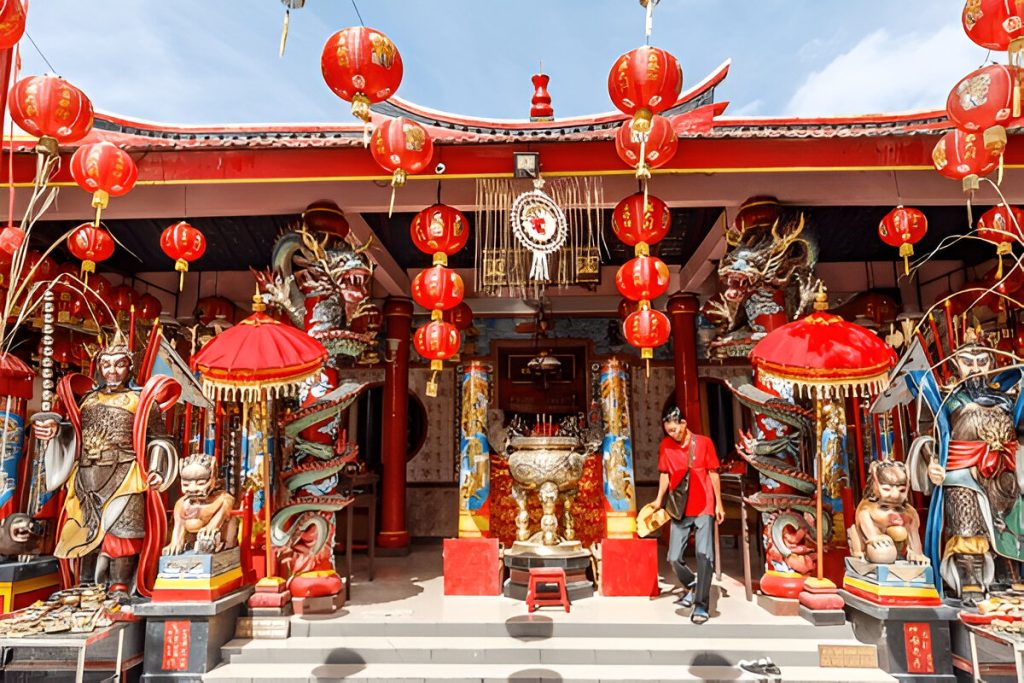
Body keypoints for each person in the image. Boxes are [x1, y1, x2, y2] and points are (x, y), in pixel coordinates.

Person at [32, 334, 179, 598]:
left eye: (119, 364)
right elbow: (74, 432)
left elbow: (159, 439)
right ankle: (86, 584)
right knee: (84, 529)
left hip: (125, 472)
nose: (112, 371)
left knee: (123, 530)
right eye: (107, 365)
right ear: (99, 367)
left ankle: (119, 585)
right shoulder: (88, 400)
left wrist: (157, 469)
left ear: (130, 367)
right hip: (87, 472)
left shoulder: (142, 401)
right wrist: (56, 429)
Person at [652, 405, 724, 624]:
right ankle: (693, 584)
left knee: (704, 554)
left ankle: (701, 604)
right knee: (673, 557)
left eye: (674, 429)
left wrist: (719, 504)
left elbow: (713, 473)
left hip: (703, 505)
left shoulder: (704, 443)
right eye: (668, 431)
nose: (672, 434)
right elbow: (665, 473)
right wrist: (659, 499)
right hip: (679, 507)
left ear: (683, 424)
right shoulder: (666, 446)